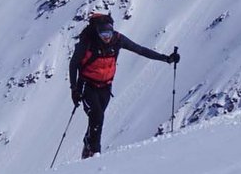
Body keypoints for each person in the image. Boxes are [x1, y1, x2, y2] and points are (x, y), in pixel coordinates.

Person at [68, 11, 178, 159]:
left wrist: (166, 59)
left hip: (106, 87)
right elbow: (73, 64)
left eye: (109, 34)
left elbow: (140, 50)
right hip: (87, 85)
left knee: (97, 119)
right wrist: (74, 89)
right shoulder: (87, 42)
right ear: (97, 32)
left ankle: (89, 143)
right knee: (97, 116)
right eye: (103, 34)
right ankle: (95, 153)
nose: (106, 38)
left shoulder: (117, 40)